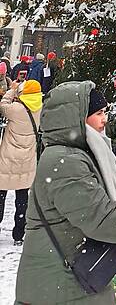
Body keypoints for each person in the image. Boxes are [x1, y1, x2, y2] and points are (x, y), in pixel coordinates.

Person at [15, 81, 116, 304]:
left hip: (66, 281)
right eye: (99, 113)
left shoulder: (75, 155)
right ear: (76, 117)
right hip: (60, 285)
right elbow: (101, 219)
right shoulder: (66, 161)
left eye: (105, 112)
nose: (104, 119)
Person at [0, 78, 42, 245]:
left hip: (7, 159)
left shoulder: (15, 109)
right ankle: (18, 235)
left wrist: (13, 89)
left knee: (1, 196)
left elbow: (3, 104)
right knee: (22, 200)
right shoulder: (39, 109)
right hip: (27, 160)